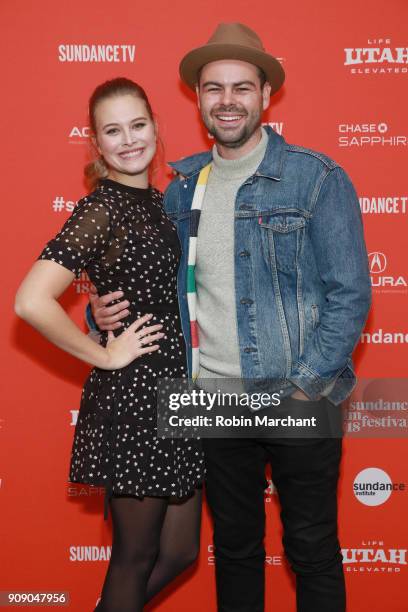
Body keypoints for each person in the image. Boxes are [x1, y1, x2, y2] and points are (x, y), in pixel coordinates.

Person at [90, 24, 372, 612]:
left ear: (265, 95)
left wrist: (305, 386)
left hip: (299, 395)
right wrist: (100, 318)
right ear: (197, 99)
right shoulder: (182, 189)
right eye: (214, 87)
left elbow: (351, 294)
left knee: (313, 550)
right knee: (237, 552)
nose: (227, 100)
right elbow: (156, 293)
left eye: (242, 87)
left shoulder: (316, 177)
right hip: (213, 402)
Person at [15, 77, 205, 612]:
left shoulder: (161, 201)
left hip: (180, 393)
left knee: (182, 551)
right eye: (112, 131)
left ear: (156, 127)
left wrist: (99, 319)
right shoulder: (104, 208)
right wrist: (104, 352)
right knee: (135, 556)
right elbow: (31, 301)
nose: (128, 140)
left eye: (138, 125)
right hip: (137, 396)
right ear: (96, 144)